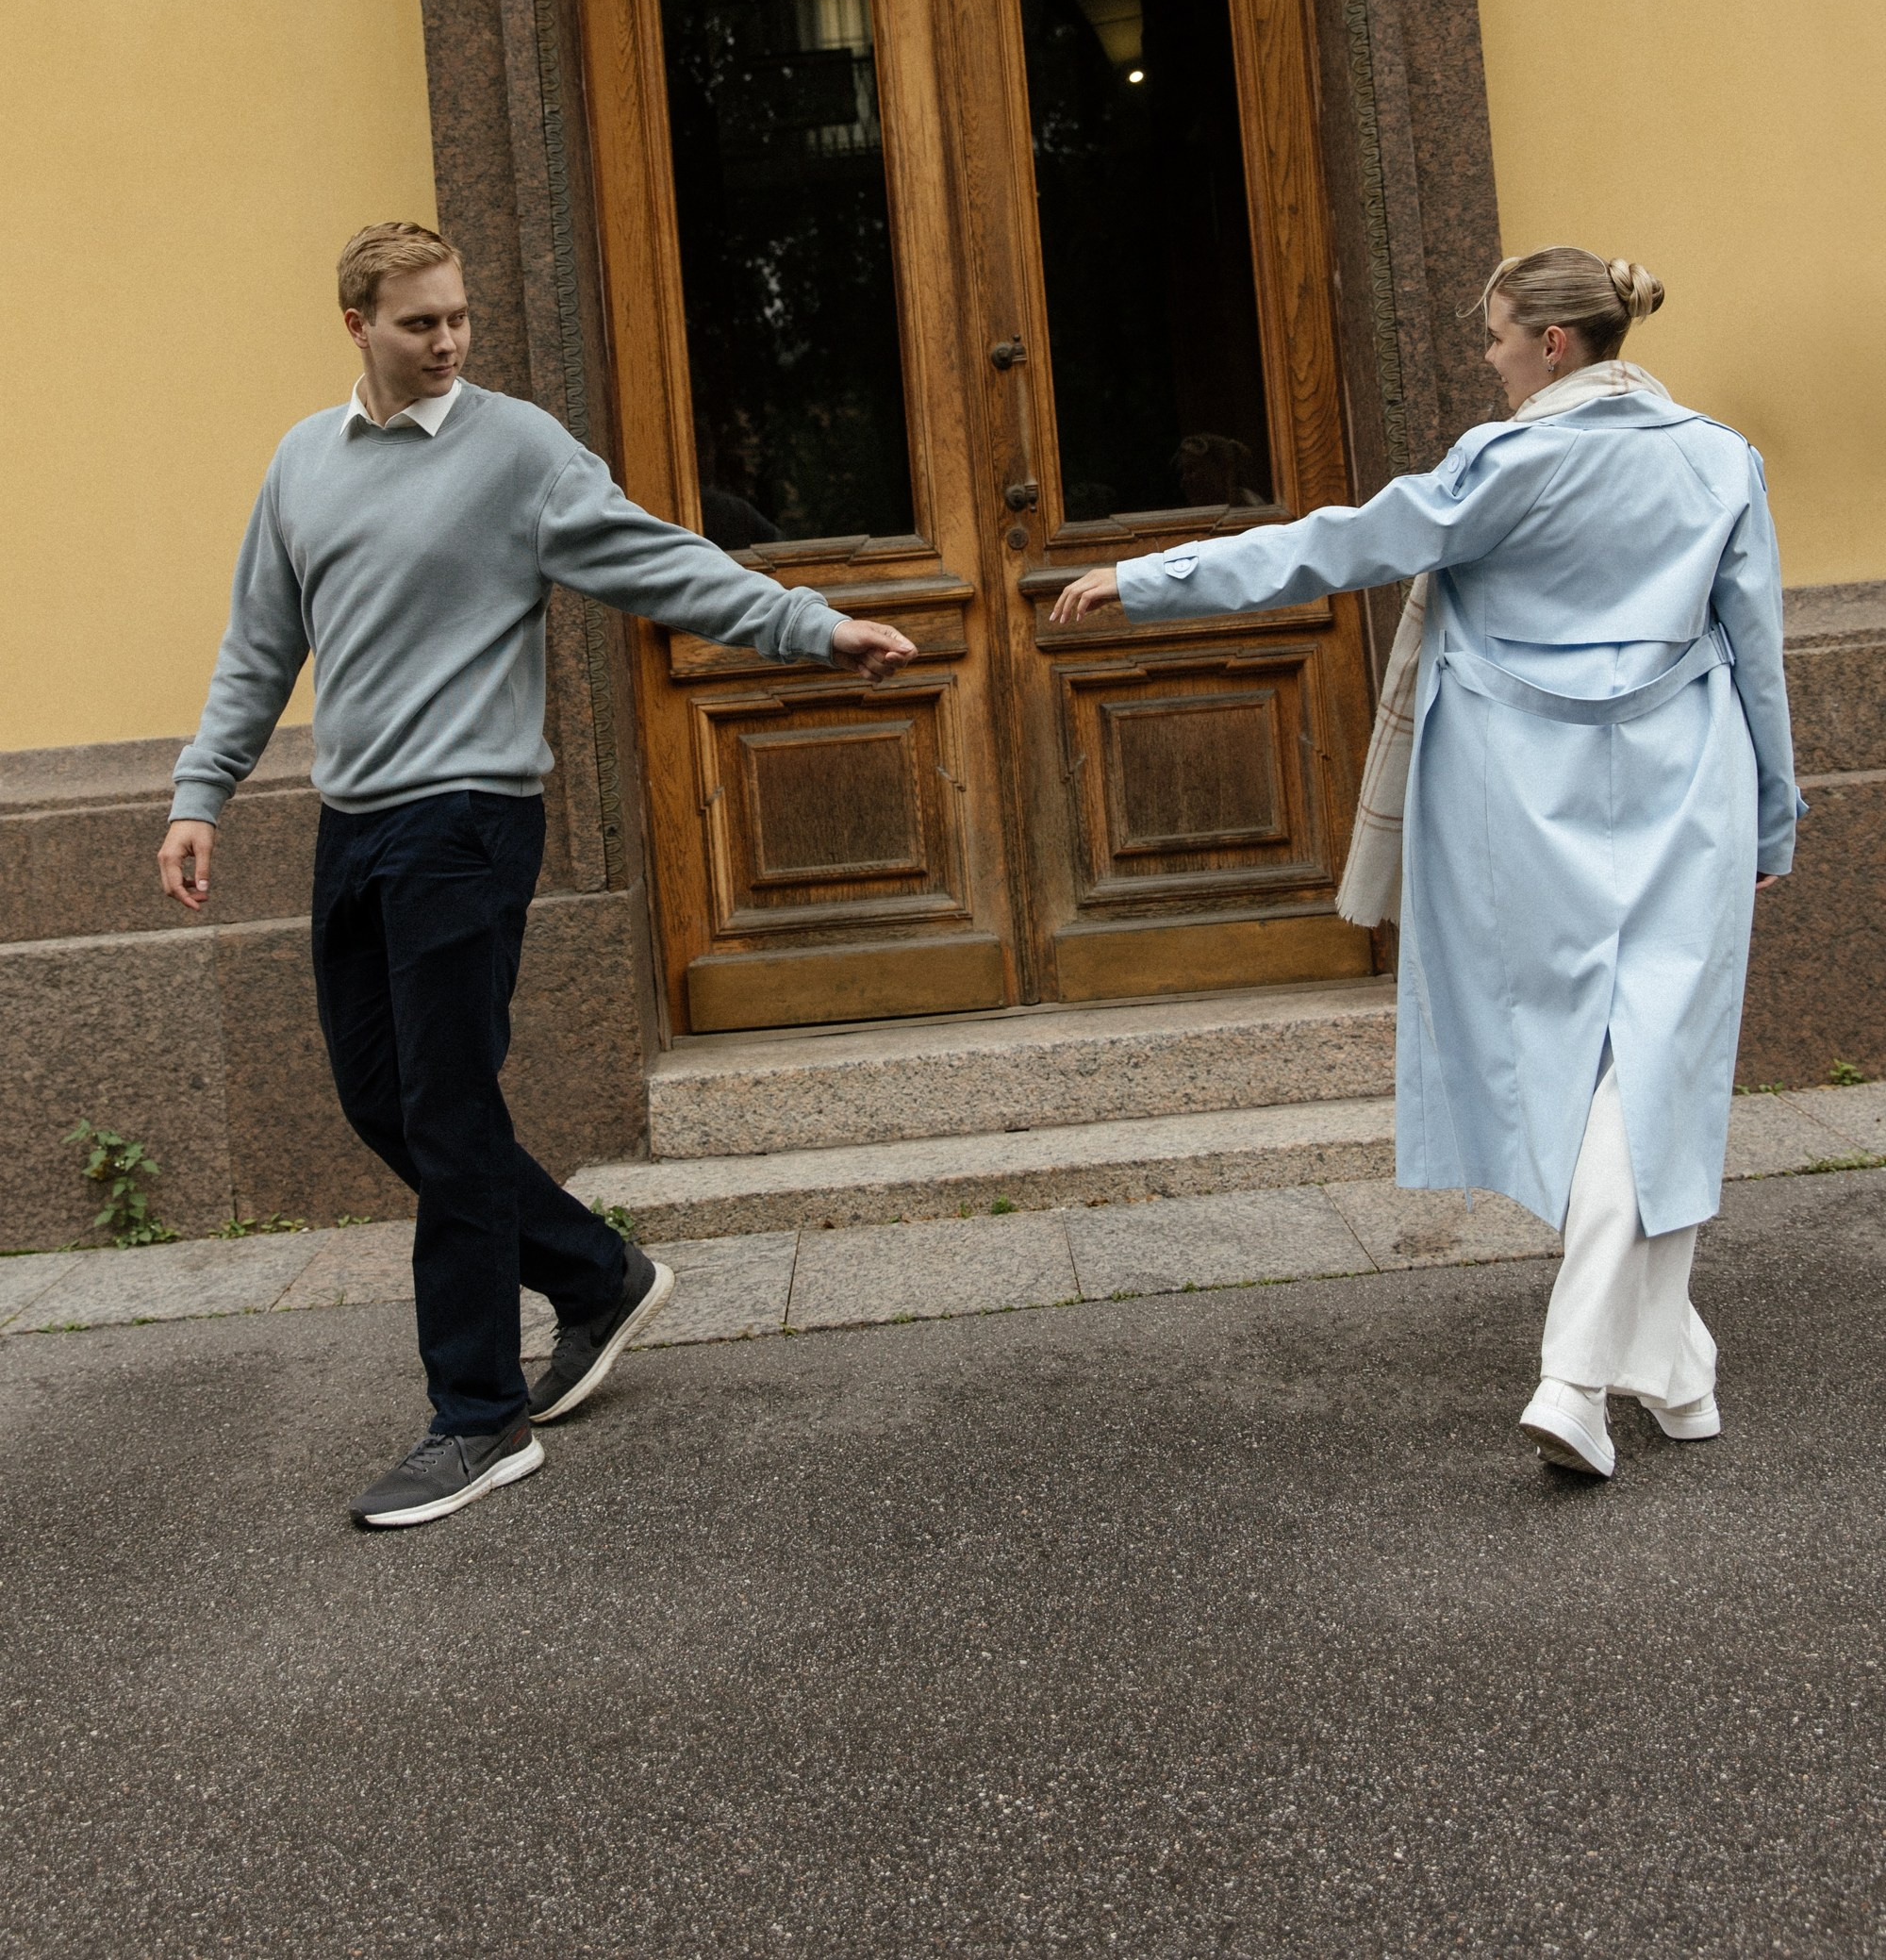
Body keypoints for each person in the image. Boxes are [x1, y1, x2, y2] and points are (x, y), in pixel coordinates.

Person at [159, 223, 915, 1529]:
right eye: (419, 324)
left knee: (447, 1109)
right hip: (355, 824)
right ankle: (596, 1275)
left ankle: (476, 1417)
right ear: (356, 325)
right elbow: (259, 647)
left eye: (459, 318)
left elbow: (655, 557)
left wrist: (810, 625)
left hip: (469, 818)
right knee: (379, 1101)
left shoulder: (517, 451)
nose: (448, 342)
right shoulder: (303, 463)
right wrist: (198, 793)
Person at [1051, 248, 1800, 1480]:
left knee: (1577, 1058)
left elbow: (1337, 547)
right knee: (1652, 1061)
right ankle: (1671, 1364)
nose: (1490, 356)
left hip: (1521, 789)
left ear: (1555, 345)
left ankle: (1575, 1376)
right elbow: (1755, 648)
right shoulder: (1721, 458)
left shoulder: (1505, 466)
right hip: (1691, 781)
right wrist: (1774, 813)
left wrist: (1147, 579)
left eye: (1499, 336)